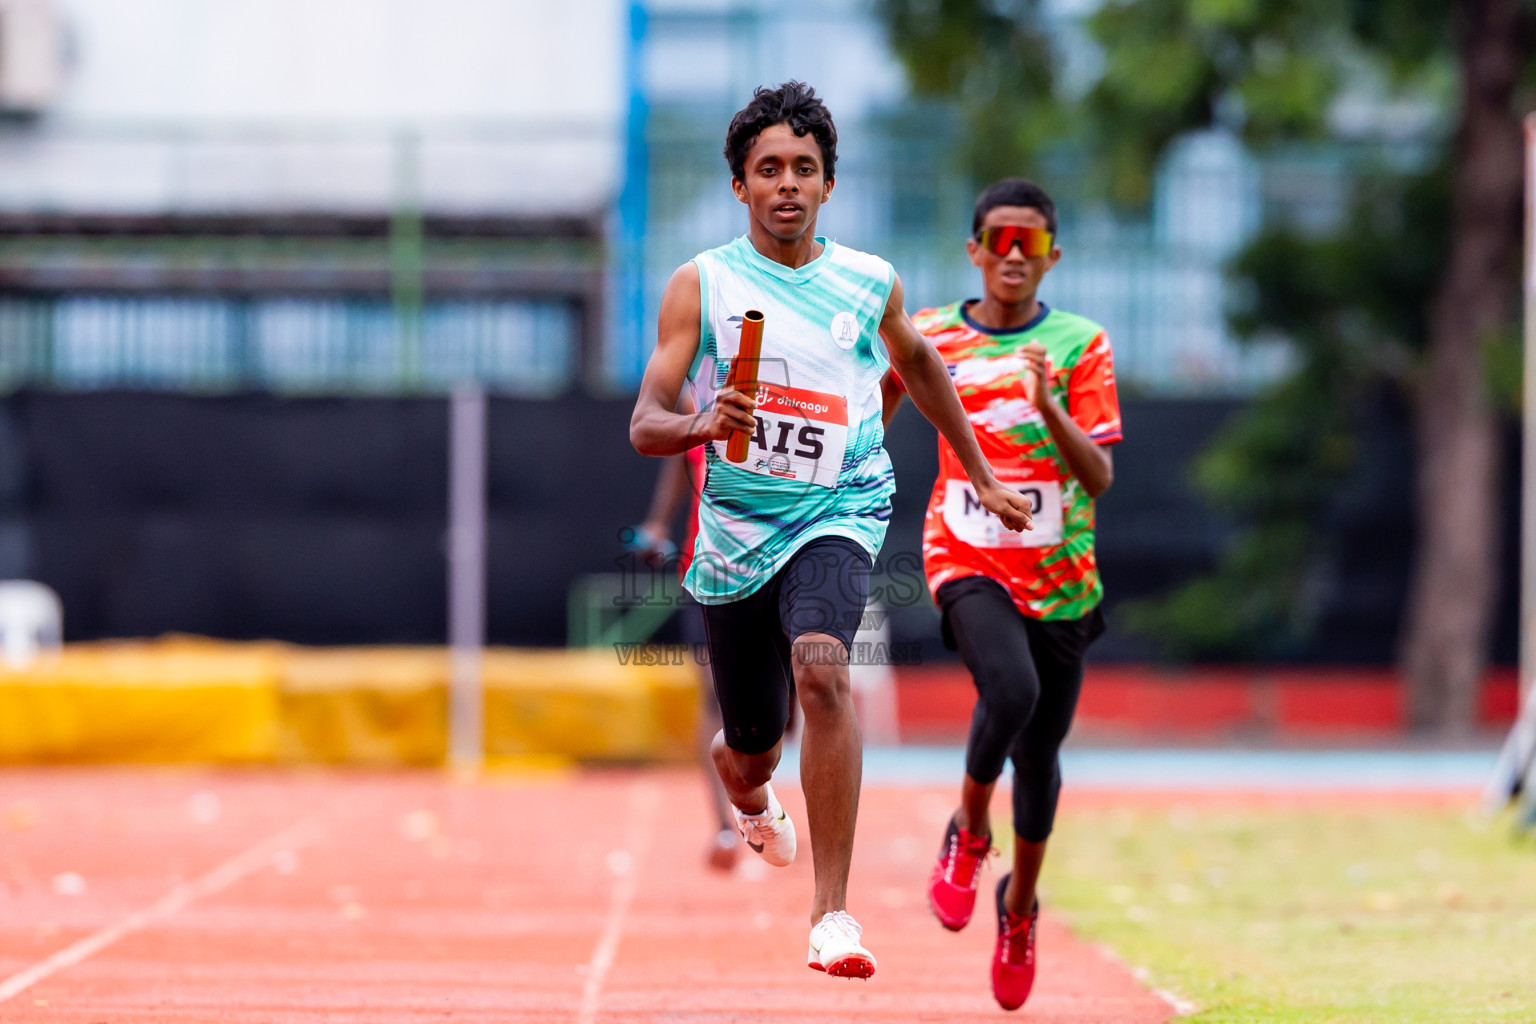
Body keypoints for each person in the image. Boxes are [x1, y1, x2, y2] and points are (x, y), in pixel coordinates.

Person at [630, 82, 1034, 979]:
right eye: (768, 168)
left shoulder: (868, 281)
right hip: (735, 536)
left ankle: (831, 917)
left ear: (828, 184)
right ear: (740, 185)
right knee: (749, 751)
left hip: (839, 507)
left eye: (804, 170)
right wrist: (702, 424)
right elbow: (646, 421)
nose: (787, 185)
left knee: (823, 668)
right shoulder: (703, 284)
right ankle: (748, 787)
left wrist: (981, 470)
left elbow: (920, 366)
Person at [882, 178, 1121, 1010]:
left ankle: (1019, 907)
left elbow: (1098, 475)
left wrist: (1048, 404)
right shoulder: (935, 334)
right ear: (974, 250)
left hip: (1060, 574)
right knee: (1009, 690)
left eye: (1031, 243)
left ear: (1053, 255)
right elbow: (880, 400)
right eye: (998, 240)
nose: (1013, 257)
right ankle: (970, 830)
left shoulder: (1081, 343)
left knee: (1042, 754)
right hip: (964, 552)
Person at [625, 426, 741, 872]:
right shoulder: (702, 401)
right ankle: (725, 825)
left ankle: (762, 797)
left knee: (782, 705)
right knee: (714, 694)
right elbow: (681, 457)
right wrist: (657, 521)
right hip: (706, 571)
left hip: (775, 570)